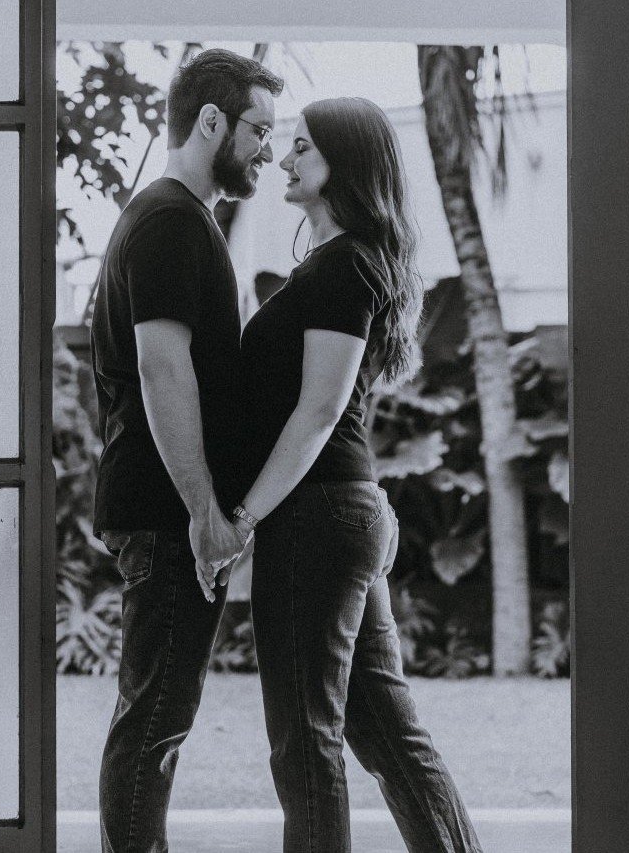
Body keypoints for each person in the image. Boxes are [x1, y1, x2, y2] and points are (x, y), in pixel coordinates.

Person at [230, 98, 483, 853]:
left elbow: (318, 412)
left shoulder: (343, 268)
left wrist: (243, 517)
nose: (283, 159)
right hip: (336, 513)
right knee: (386, 732)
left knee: (304, 737)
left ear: (344, 163)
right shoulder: (341, 262)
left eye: (302, 147)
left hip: (315, 517)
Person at [90, 49, 283, 853]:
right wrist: (204, 511)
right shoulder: (170, 220)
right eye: (258, 130)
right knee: (155, 723)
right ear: (210, 121)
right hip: (167, 513)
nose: (267, 150)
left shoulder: (174, 215)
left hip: (161, 508)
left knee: (156, 718)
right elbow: (161, 367)